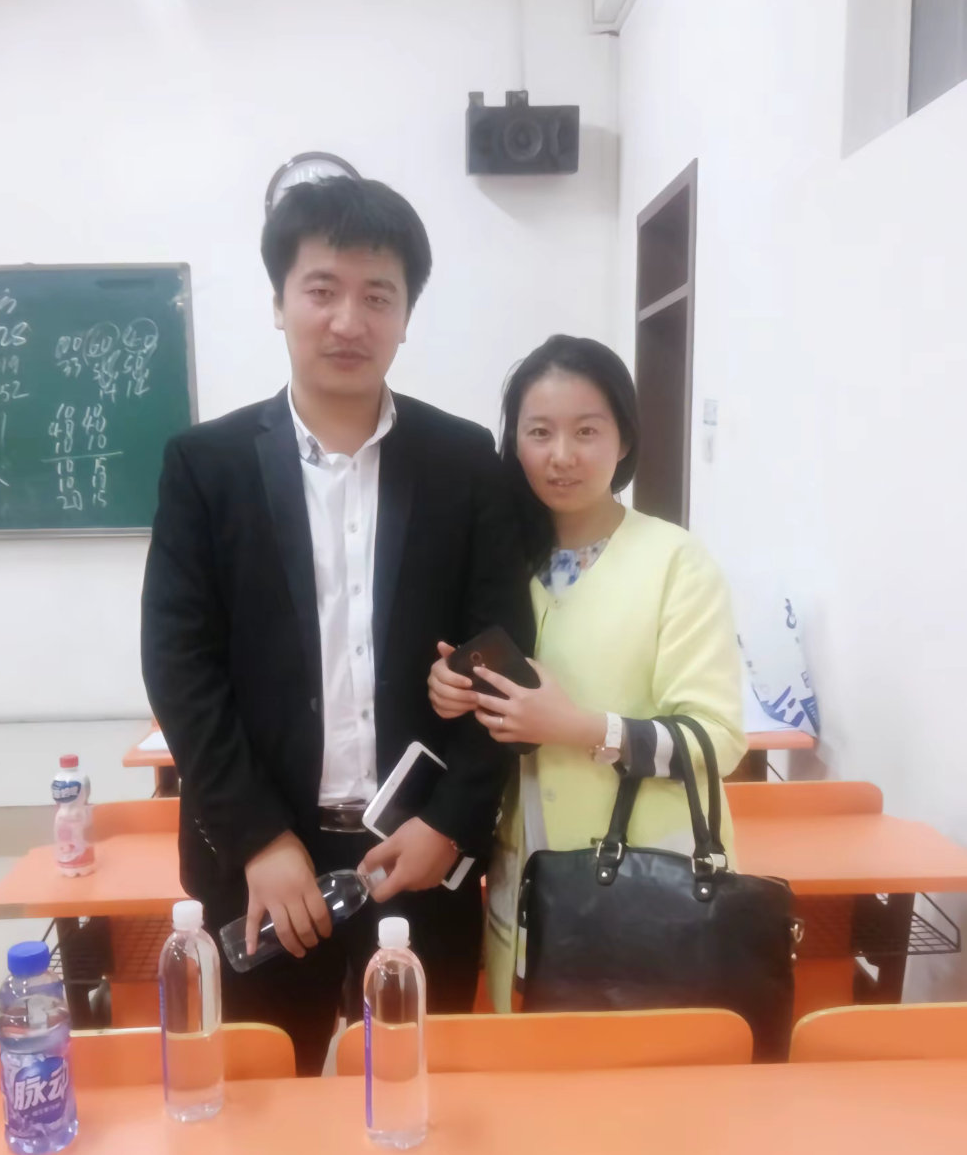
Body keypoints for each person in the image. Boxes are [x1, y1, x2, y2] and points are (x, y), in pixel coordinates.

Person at [141, 176, 533, 1073]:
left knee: (414, 1095)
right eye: (321, 289)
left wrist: (452, 823)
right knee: (262, 1096)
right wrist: (257, 838)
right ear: (279, 302)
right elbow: (179, 664)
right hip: (261, 862)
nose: (348, 321)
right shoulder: (206, 466)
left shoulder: (463, 461)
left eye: (377, 296)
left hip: (419, 851)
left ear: (406, 316)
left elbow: (504, 655)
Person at [427, 334, 746, 1011]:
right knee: (529, 1065)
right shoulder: (500, 561)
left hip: (648, 888)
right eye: (539, 432)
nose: (562, 455)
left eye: (587, 431)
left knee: (637, 1070)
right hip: (525, 883)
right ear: (514, 442)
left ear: (624, 439)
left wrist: (581, 728)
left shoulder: (675, 562)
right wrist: (452, 690)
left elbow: (716, 739)